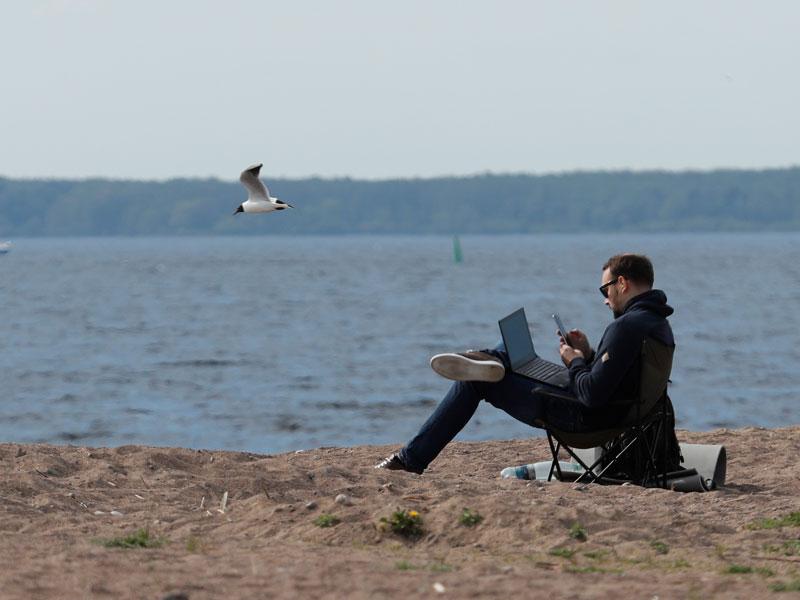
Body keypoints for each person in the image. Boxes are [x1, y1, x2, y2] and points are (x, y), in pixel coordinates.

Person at [375, 253, 675, 475]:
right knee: (506, 353)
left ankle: (410, 461)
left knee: (476, 381)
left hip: (584, 419)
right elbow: (619, 380)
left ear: (622, 283)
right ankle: (490, 359)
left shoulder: (626, 327)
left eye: (605, 290)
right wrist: (589, 353)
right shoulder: (655, 322)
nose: (605, 299)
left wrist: (575, 362)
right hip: (609, 412)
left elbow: (592, 395)